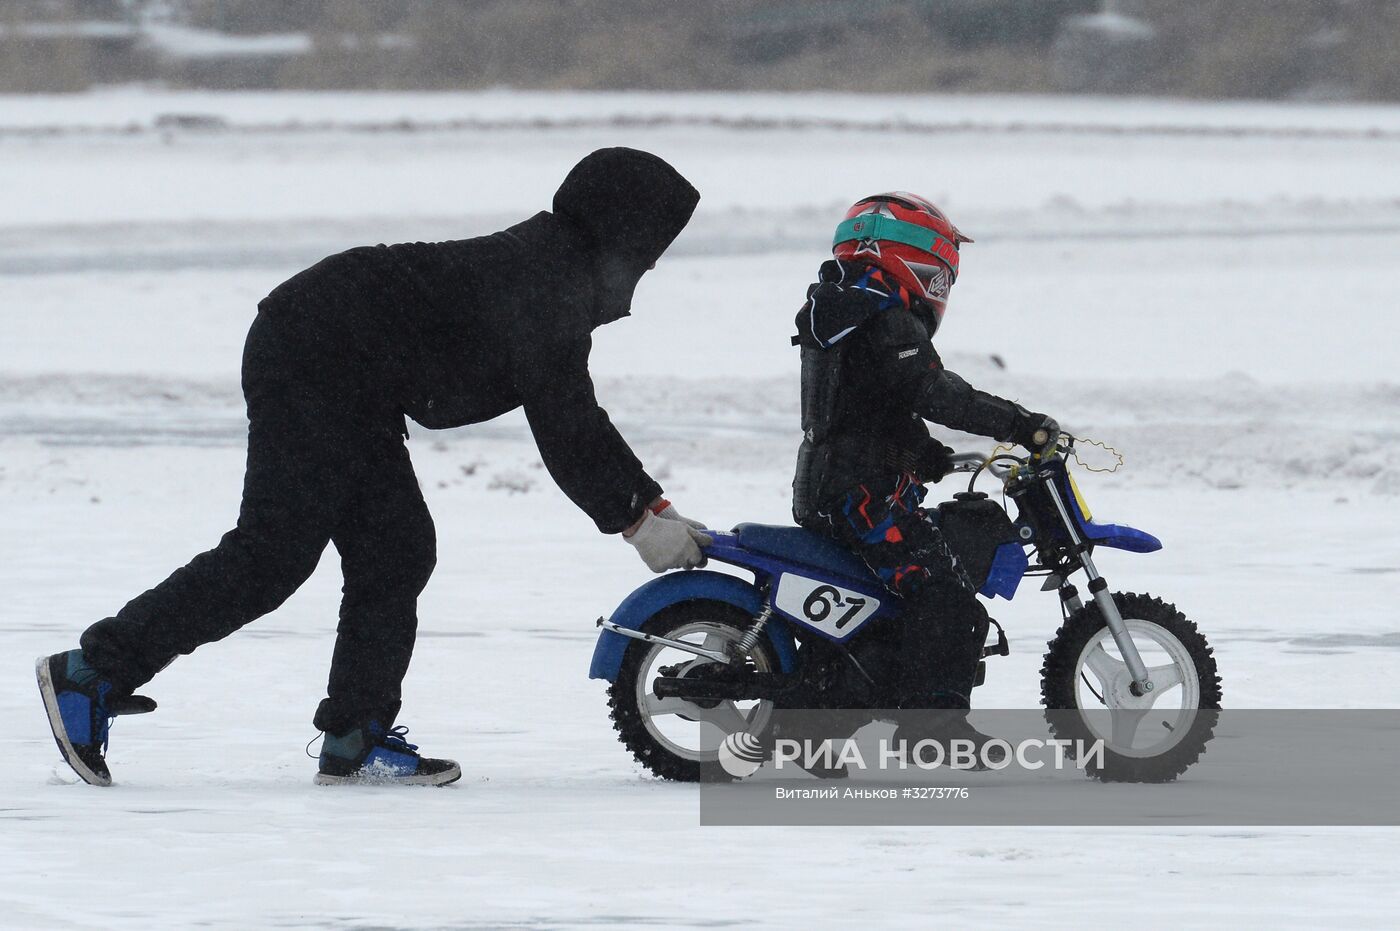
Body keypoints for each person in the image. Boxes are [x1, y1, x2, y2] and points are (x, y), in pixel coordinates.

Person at [36, 147, 712, 787]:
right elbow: (568, 425)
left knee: (396, 548)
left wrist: (646, 506)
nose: (652, 265)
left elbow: (572, 413)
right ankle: (93, 672)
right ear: (620, 231)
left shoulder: (552, 268)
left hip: (348, 365)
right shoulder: (548, 283)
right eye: (652, 245)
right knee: (272, 552)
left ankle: (356, 733)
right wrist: (637, 517)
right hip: (313, 350)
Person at [790, 192, 1059, 758]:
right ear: (910, 262)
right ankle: (932, 733)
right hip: (862, 499)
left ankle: (828, 727)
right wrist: (1017, 423)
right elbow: (932, 392)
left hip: (838, 487)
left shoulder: (846, 309)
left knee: (891, 602)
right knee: (951, 605)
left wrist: (921, 452)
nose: (941, 290)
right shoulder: (886, 319)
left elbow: (864, 405)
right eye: (941, 275)